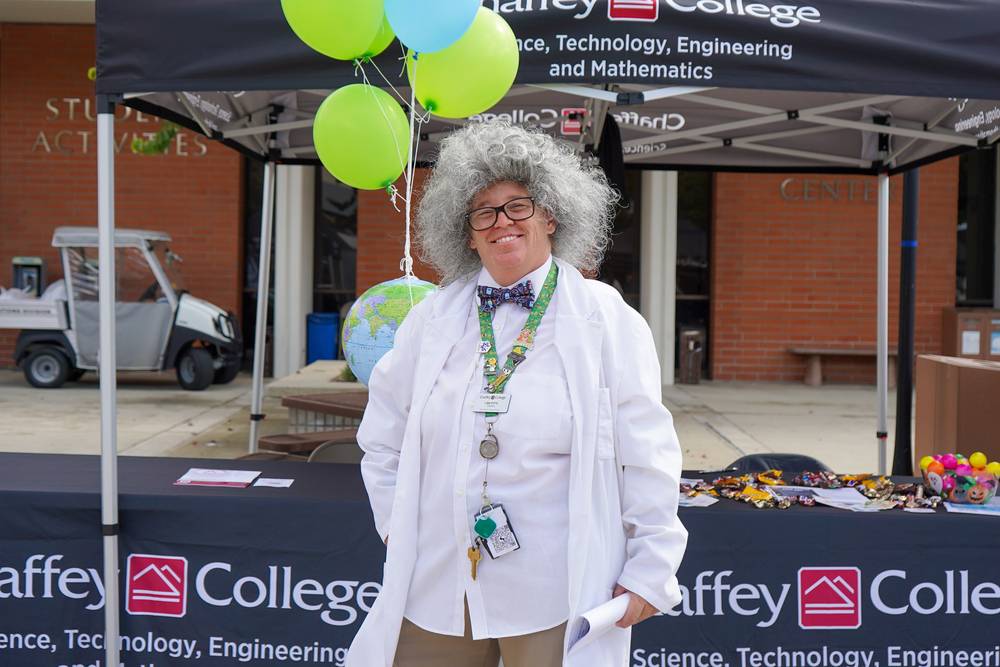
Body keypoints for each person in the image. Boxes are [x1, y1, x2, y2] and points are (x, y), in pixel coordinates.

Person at [347, 121, 687, 667]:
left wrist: (652, 565)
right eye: (483, 212)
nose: (501, 223)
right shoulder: (431, 320)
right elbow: (382, 437)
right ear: (467, 232)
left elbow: (647, 454)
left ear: (551, 215)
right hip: (438, 586)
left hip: (554, 591)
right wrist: (397, 525)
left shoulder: (606, 319)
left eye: (518, 206)